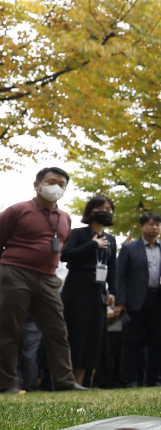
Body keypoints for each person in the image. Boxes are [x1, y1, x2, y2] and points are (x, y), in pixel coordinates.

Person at [0, 168, 83, 392]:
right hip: (14, 273)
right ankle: (7, 384)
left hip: (48, 277)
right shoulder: (17, 210)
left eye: (62, 184)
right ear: (37, 185)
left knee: (58, 330)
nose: (56, 187)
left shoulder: (65, 217)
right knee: (9, 330)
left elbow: (61, 245)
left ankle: (65, 382)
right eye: (51, 182)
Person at [60, 195, 118, 387]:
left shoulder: (110, 239)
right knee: (76, 333)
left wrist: (112, 292)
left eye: (109, 209)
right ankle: (70, 380)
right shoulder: (78, 233)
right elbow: (66, 256)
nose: (106, 212)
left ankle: (85, 381)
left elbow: (113, 268)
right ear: (90, 211)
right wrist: (93, 245)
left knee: (94, 336)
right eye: (101, 207)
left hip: (97, 292)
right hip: (77, 289)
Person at [114, 212, 161, 387]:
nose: (155, 227)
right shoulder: (129, 248)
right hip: (134, 302)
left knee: (157, 342)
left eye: (158, 225)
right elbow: (120, 276)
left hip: (160, 300)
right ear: (141, 226)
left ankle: (153, 379)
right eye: (151, 224)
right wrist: (120, 301)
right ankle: (128, 380)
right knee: (131, 342)